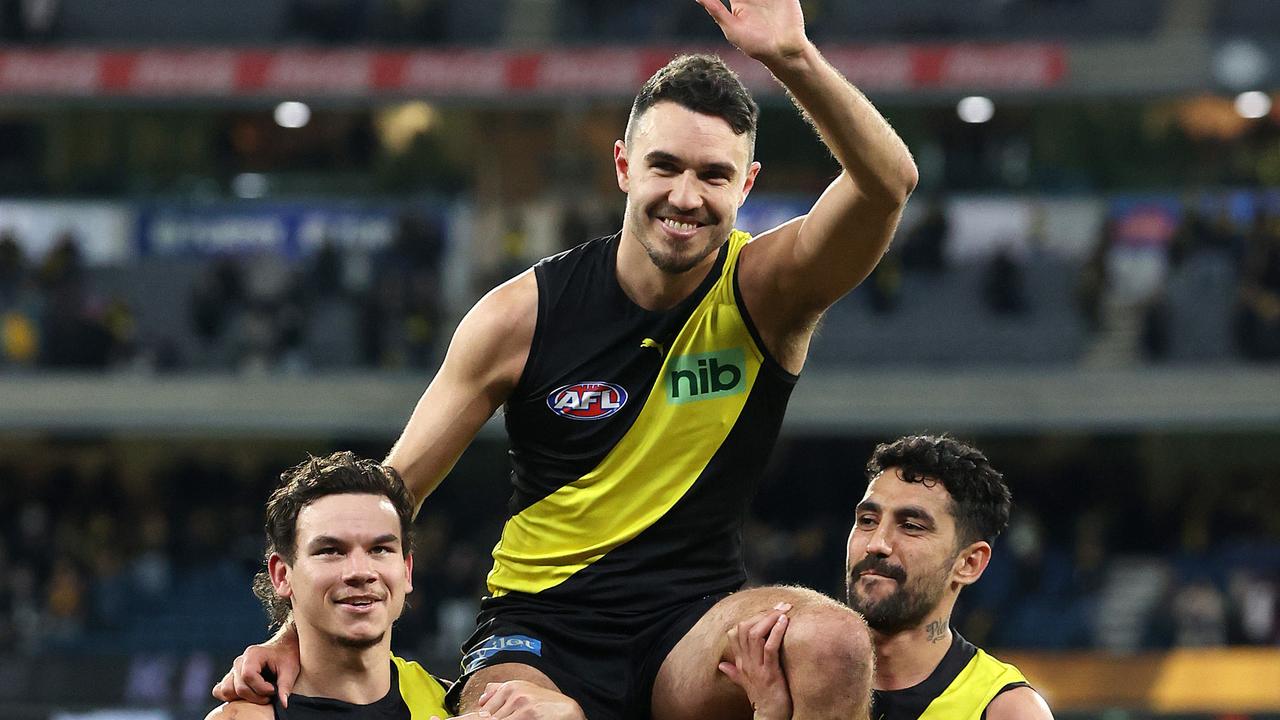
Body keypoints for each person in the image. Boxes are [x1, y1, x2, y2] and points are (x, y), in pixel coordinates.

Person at [215, 0, 918, 717]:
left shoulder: (768, 291)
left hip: (694, 626)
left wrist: (792, 58)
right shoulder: (519, 315)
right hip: (539, 632)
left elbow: (886, 184)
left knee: (833, 645)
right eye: (664, 166)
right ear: (622, 167)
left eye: (713, 175)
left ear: (746, 184)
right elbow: (394, 492)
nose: (685, 196)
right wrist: (293, 632)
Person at [207, 452, 584, 720]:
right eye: (331, 551)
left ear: (406, 571)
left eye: (380, 549)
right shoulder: (243, 717)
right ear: (281, 575)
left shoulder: (460, 706)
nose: (360, 571)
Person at [719, 435, 1055, 719]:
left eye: (911, 526)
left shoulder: (1005, 709)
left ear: (969, 563)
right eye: (867, 520)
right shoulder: (767, 673)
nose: (877, 544)